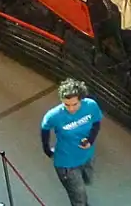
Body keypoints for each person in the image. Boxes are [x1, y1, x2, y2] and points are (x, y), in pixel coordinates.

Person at [41, 78, 103, 206]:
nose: (71, 108)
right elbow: (45, 129)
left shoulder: (91, 106)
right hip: (67, 164)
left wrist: (90, 140)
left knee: (87, 180)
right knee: (79, 197)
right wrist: (47, 150)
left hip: (87, 157)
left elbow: (96, 123)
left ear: (81, 99)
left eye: (75, 104)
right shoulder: (54, 116)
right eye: (67, 105)